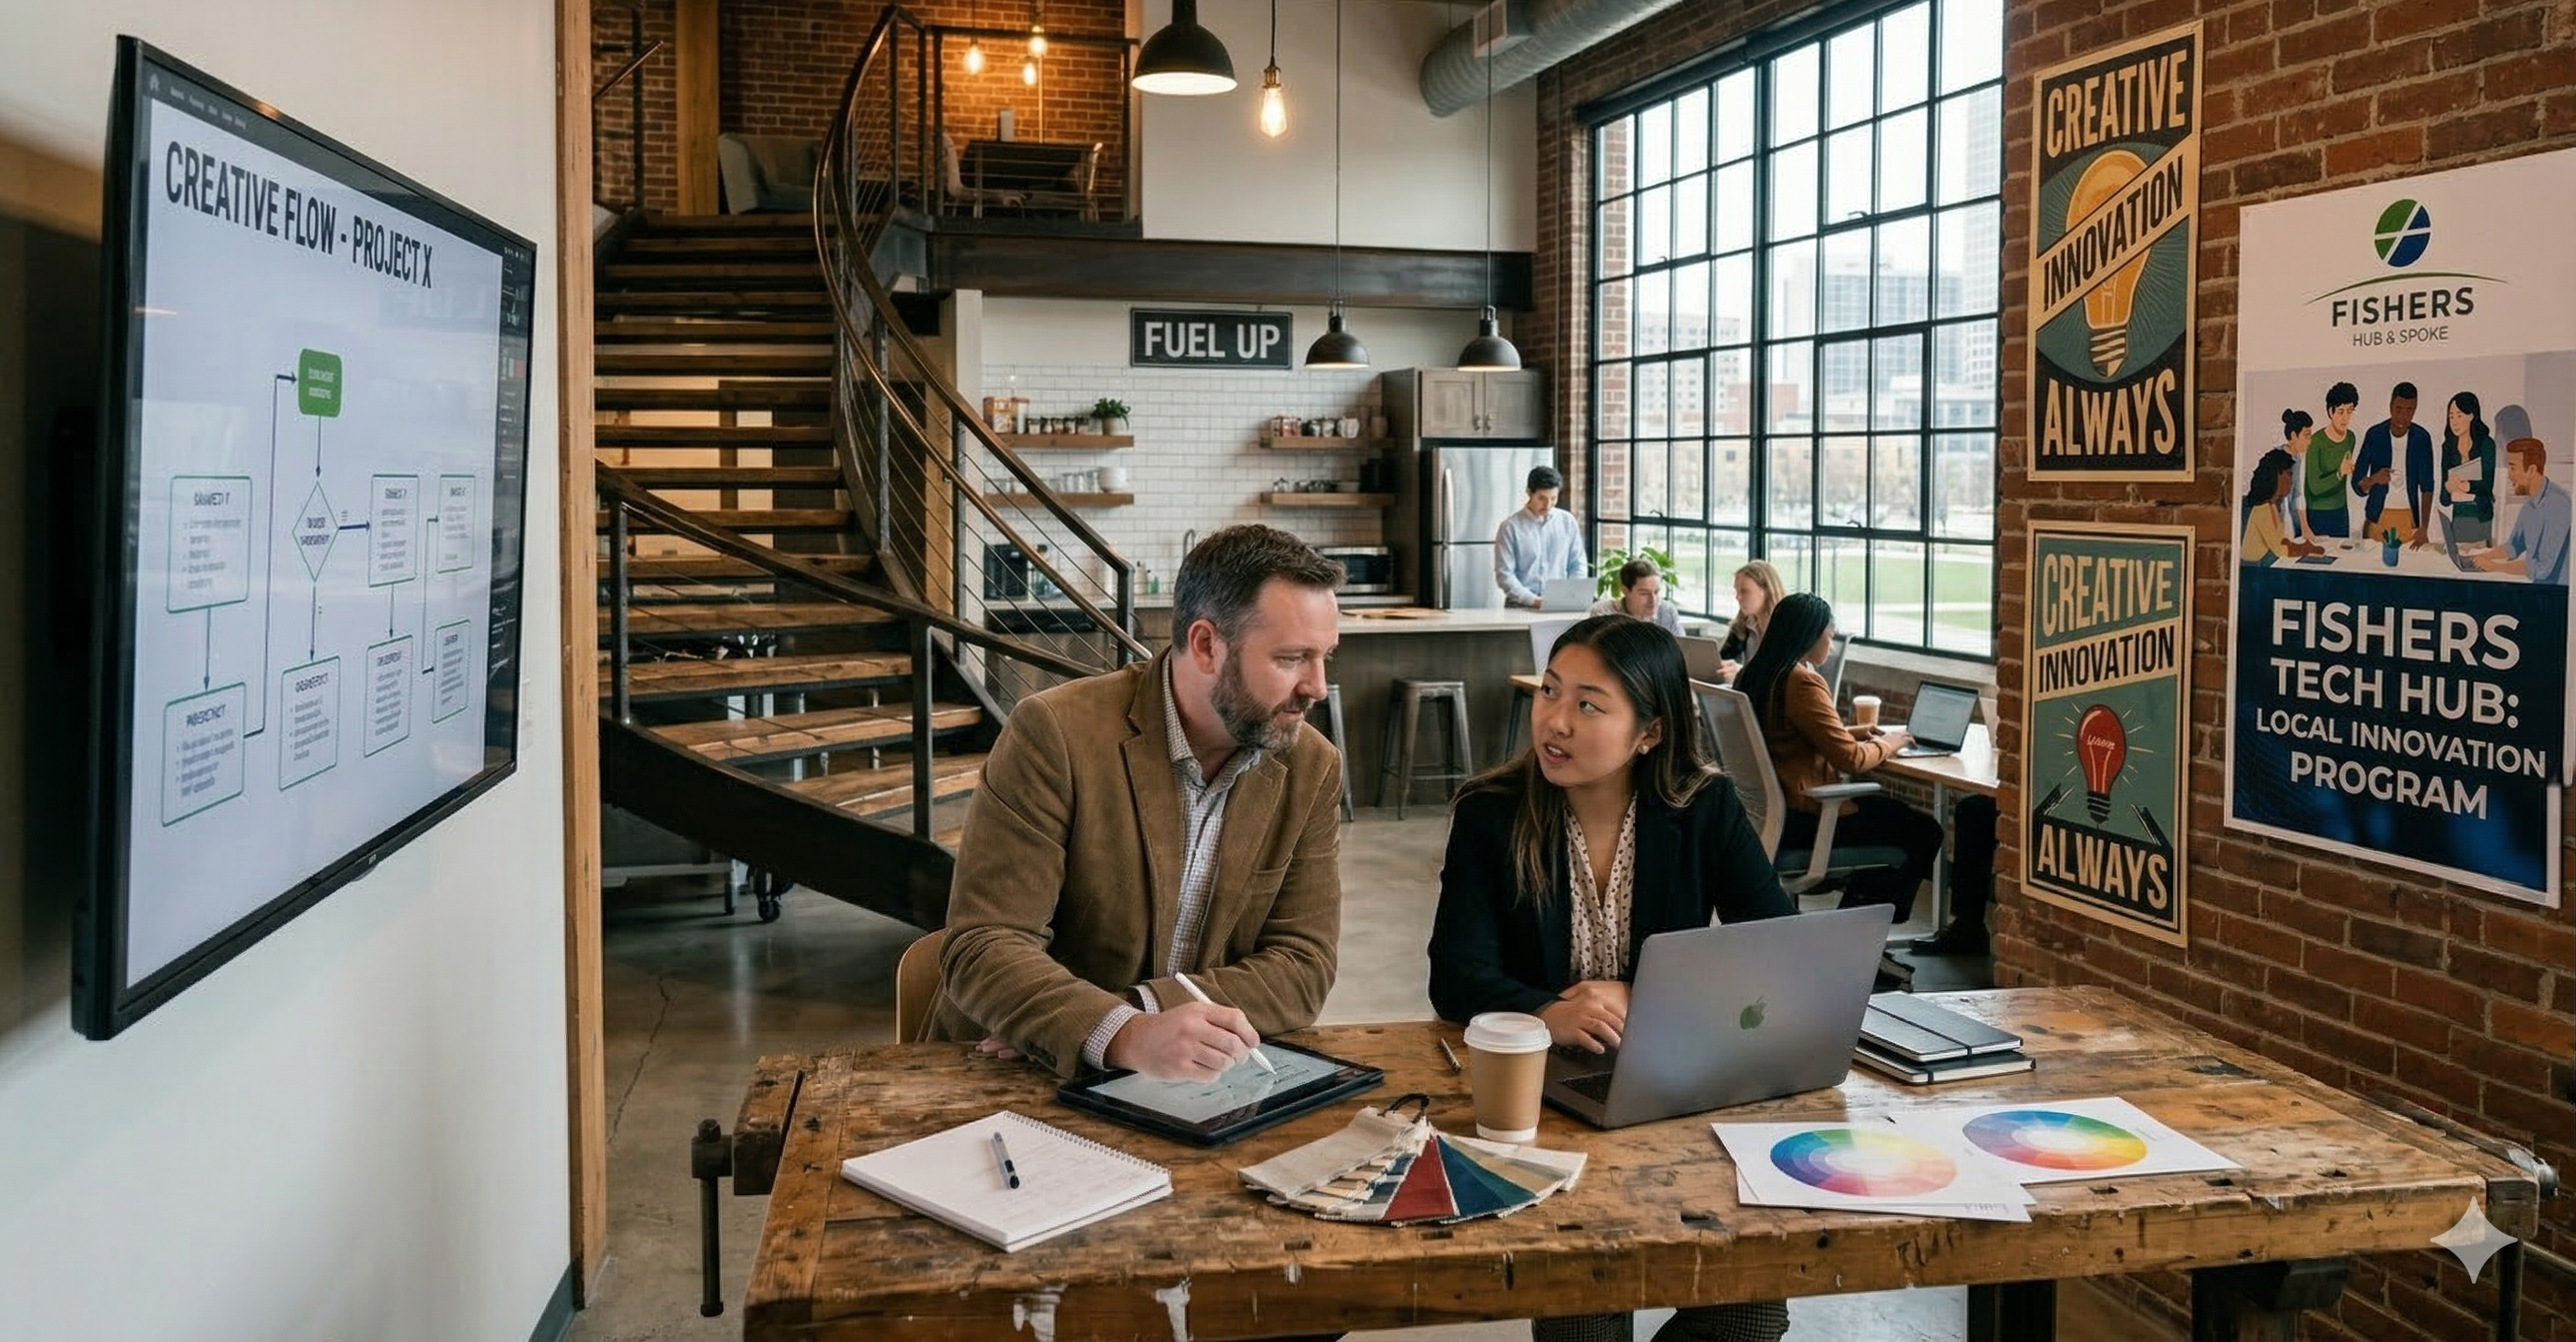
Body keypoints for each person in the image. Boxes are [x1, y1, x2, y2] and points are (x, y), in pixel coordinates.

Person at [1428, 614, 1795, 1342]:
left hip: (1679, 1089)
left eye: (1589, 705)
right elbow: (1456, 977)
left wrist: (1651, 998)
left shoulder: (1704, 807)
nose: (1555, 722)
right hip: (1550, 1098)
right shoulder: (1491, 812)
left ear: (1650, 733)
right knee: (1585, 1318)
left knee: (1747, 1312)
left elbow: (1776, 951)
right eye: (1551, 693)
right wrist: (1546, 1011)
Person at [934, 525, 1348, 1083]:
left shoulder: (1311, 767)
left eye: (1325, 656)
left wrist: (1137, 1012)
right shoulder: (1054, 733)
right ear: (1205, 645)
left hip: (1191, 1082)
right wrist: (1123, 1035)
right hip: (1011, 1075)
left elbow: (1303, 966)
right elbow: (985, 944)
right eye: (1292, 658)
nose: (1317, 686)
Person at [1735, 594, 1943, 924]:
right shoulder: (1802, 682)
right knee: (1923, 830)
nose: (1831, 647)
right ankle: (1861, 929)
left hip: (1770, 817)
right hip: (1810, 818)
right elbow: (1852, 761)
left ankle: (1853, 923)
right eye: (1830, 637)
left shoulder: (1756, 674)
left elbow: (1792, 734)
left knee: (1895, 818)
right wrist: (1891, 742)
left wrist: (1861, 731)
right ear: (1812, 635)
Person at [2475, 438, 2569, 584]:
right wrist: (2482, 557)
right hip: (2537, 589)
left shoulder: (2558, 504)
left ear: (2531, 470)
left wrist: (2495, 566)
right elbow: (2512, 547)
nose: (2509, 475)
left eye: (2513, 468)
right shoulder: (2529, 506)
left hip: (2555, 595)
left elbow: (2543, 568)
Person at [1496, 464, 1586, 607]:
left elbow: (1578, 564)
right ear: (1529, 492)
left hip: (1559, 604)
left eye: (1553, 498)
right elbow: (1505, 575)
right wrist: (1534, 601)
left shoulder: (1567, 521)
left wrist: (1570, 595)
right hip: (1520, 606)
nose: (1548, 505)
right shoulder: (1510, 527)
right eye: (1542, 498)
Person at [2351, 381, 2427, 544]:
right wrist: (2374, 479)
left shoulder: (2422, 438)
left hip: (2409, 520)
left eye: (2409, 411)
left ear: (2415, 410)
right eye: (2398, 409)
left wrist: (2424, 528)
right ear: (2390, 406)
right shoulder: (2374, 435)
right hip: (2377, 518)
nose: (2403, 416)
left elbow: (2427, 487)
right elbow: (2356, 484)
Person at [2241, 442, 2321, 565]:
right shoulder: (2262, 510)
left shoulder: (2273, 506)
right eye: (2289, 474)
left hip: (2265, 563)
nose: (2291, 480)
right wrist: (2306, 549)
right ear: (2275, 478)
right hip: (2255, 568)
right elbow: (2280, 550)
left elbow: (2282, 541)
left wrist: (2306, 547)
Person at [2441, 391, 2500, 547]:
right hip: (2458, 514)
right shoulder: (2448, 447)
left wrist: (2467, 486)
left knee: (2475, 555)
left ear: (2472, 415)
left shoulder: (2486, 444)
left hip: (2480, 512)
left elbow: (2488, 485)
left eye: (2459, 415)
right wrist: (2448, 487)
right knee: (2458, 555)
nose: (2454, 421)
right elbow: (2444, 499)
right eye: (2451, 416)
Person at [2304, 381, 2359, 539]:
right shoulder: (2315, 443)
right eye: (2340, 412)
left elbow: (2347, 474)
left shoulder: (2350, 438)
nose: (2345, 418)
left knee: (2343, 558)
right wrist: (2340, 472)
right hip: (2318, 513)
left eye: (2350, 411)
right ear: (2330, 412)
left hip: (2341, 512)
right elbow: (2314, 487)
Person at [1716, 560, 1785, 679]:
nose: (1738, 597)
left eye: (1744, 591)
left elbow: (1782, 677)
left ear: (1766, 591)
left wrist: (1742, 674)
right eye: (1736, 591)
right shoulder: (1741, 627)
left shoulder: (1787, 629)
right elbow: (1722, 662)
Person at [1588, 556, 1684, 634]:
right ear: (1625, 591)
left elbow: (1683, 651)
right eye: (1644, 593)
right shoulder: (1604, 612)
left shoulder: (1667, 612)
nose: (1653, 600)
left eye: (1656, 592)